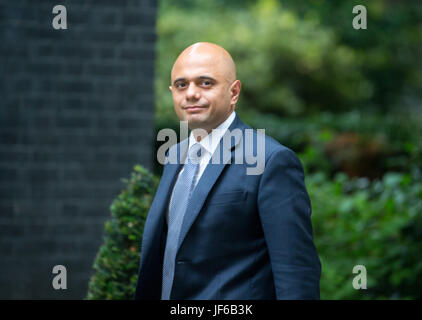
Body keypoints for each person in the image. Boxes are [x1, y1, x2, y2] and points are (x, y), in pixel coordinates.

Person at [134, 42, 321, 300]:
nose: (190, 93)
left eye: (205, 83)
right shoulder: (174, 155)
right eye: (181, 84)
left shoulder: (271, 161)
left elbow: (296, 274)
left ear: (234, 92)